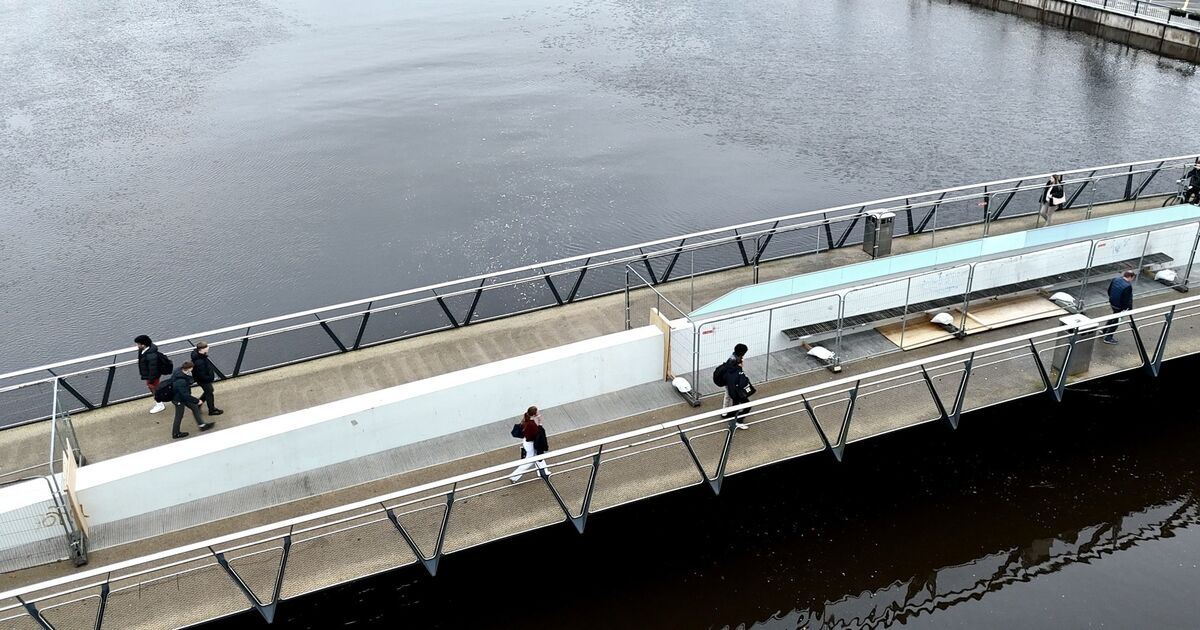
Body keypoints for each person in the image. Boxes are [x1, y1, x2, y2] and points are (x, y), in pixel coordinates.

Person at [170, 361, 214, 439]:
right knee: (179, 416)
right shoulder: (181, 381)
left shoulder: (178, 371)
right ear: (188, 369)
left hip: (181, 397)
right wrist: (197, 400)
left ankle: (202, 425)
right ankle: (175, 433)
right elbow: (185, 395)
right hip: (179, 399)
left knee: (195, 407)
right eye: (192, 368)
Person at [509, 406, 550, 483]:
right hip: (531, 443)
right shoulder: (532, 425)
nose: (539, 412)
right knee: (530, 461)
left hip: (527, 441)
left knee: (539, 456)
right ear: (534, 414)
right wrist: (540, 424)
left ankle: (544, 472)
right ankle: (514, 476)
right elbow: (535, 435)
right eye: (537, 411)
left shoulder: (527, 417)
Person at [135, 335, 169, 414]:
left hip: (152, 376)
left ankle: (159, 403)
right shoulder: (144, 350)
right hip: (150, 375)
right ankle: (160, 401)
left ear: (143, 345)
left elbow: (153, 369)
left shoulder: (151, 356)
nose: (137, 346)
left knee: (154, 388)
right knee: (153, 387)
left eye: (138, 344)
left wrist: (150, 379)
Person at [722, 348, 754, 430]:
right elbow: (740, 379)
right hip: (737, 389)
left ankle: (728, 415)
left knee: (734, 403)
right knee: (747, 405)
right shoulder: (736, 365)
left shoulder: (731, 359)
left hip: (731, 387)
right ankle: (738, 421)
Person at [1102, 270, 1136, 345]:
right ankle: (1108, 337)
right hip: (1119, 306)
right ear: (1130, 277)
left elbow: (1109, 290)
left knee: (1114, 316)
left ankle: (1104, 330)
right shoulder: (1128, 286)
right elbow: (1126, 300)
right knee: (1116, 320)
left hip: (1112, 302)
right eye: (1133, 278)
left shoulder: (1116, 279)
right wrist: (1127, 309)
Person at [190, 341, 224, 416]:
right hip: (204, 380)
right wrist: (210, 378)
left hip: (202, 380)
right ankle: (211, 410)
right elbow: (201, 374)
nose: (208, 348)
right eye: (206, 347)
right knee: (209, 393)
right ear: (202, 349)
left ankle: (198, 404)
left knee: (209, 391)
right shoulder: (199, 361)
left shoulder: (200, 356)